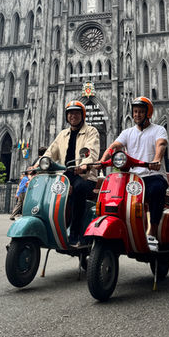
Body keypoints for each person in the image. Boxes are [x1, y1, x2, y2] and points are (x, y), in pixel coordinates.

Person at [100, 96, 168, 246]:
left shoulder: (158, 130)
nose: (137, 114)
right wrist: (102, 161)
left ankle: (152, 231)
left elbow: (161, 144)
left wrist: (156, 160)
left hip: (153, 175)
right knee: (113, 193)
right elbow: (114, 147)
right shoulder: (127, 132)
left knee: (156, 189)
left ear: (148, 113)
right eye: (135, 111)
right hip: (133, 178)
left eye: (141, 112)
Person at [33, 100, 99, 247]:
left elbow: (91, 151)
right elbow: (50, 152)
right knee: (46, 188)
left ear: (82, 115)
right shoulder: (63, 134)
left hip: (84, 176)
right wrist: (37, 165)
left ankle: (75, 233)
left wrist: (84, 165)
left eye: (76, 113)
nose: (73, 116)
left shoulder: (91, 131)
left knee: (79, 188)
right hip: (65, 175)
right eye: (70, 113)